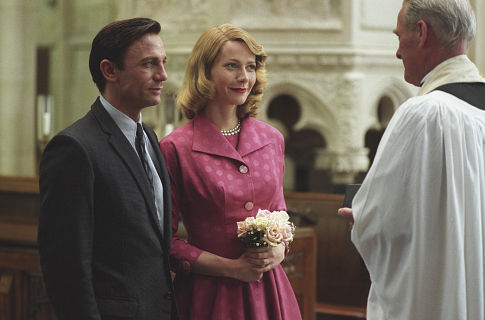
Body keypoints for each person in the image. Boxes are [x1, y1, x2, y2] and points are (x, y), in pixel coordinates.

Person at [338, 0, 485, 319]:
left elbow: (380, 222)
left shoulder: (424, 113)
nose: (397, 52)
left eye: (398, 36)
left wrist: (359, 215)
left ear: (421, 32)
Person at [159, 24, 302, 320]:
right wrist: (233, 268)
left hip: (270, 294)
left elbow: (280, 213)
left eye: (250, 67)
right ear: (205, 73)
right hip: (209, 298)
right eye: (232, 66)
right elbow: (165, 243)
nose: (244, 77)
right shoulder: (175, 147)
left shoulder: (271, 138)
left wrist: (279, 250)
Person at [38, 18, 176, 320]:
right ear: (109, 70)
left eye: (163, 63)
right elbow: (65, 268)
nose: (163, 75)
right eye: (149, 64)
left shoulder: (150, 138)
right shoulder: (74, 148)